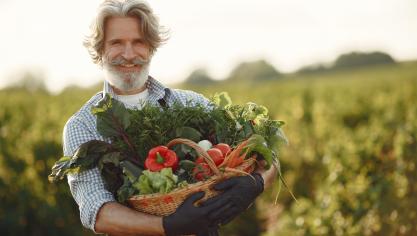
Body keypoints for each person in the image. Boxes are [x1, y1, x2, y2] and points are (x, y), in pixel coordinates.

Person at [64, 0, 278, 235]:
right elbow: (96, 211)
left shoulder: (190, 103)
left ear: (151, 47)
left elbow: (268, 159)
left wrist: (256, 183)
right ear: (100, 49)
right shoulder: (82, 125)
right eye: (116, 43)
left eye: (138, 42)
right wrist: (167, 226)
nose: (128, 54)